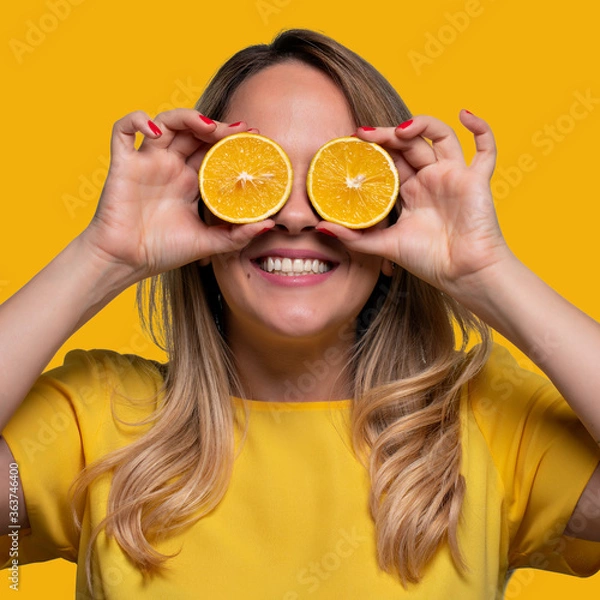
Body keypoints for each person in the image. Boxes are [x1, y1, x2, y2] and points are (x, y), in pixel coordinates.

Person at [1, 28, 599, 599]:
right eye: (257, 175)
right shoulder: (100, 421)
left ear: (394, 225)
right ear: (202, 212)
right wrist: (103, 256)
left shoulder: (482, 424)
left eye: (336, 178)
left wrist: (484, 271)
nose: (293, 217)